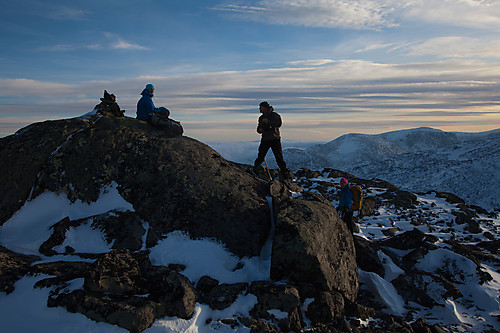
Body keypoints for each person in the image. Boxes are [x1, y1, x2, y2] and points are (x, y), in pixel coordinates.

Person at [253, 101, 291, 179]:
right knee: (261, 155)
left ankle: (284, 171)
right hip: (266, 139)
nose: (259, 109)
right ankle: (256, 168)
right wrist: (260, 130)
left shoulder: (274, 115)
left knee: (278, 156)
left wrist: (268, 122)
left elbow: (279, 124)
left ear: (264, 107)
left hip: (274, 139)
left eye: (260, 107)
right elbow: (258, 129)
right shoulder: (261, 118)